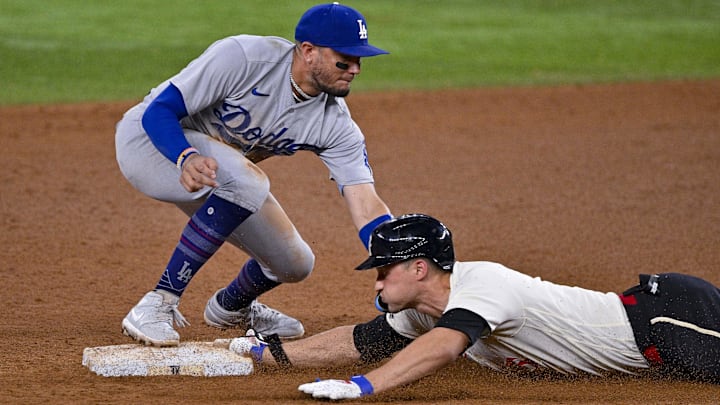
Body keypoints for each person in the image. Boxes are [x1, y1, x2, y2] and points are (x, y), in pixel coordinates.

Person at [114, 3, 393, 347]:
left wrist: (396, 257)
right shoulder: (244, 58)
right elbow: (159, 111)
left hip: (219, 177)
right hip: (151, 145)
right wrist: (184, 157)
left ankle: (231, 308)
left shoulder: (335, 126)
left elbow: (365, 201)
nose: (355, 69)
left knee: (295, 263)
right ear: (308, 51)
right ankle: (158, 304)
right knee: (248, 181)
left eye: (359, 61)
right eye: (344, 60)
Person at [227, 214, 720, 400]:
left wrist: (365, 387)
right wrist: (264, 354)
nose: (376, 279)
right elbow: (360, 342)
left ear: (419, 268)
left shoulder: (482, 284)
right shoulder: (419, 310)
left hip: (666, 321)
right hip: (653, 344)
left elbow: (446, 345)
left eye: (384, 269)